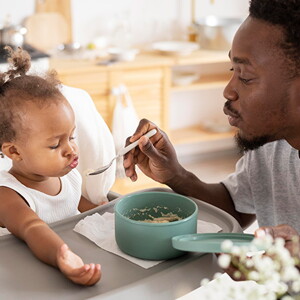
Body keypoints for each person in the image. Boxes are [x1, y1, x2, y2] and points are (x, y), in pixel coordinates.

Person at [123, 0, 300, 258]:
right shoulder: (271, 145)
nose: (228, 91)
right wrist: (175, 175)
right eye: (232, 70)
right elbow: (235, 206)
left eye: (245, 77)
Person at [0, 47, 101, 285]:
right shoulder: (8, 195)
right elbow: (33, 227)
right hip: (27, 279)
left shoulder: (66, 174)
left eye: (72, 137)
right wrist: (61, 255)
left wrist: (101, 210)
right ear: (14, 151)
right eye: (55, 145)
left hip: (72, 257)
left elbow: (74, 201)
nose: (71, 150)